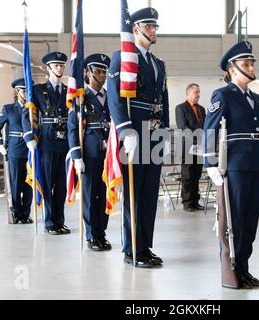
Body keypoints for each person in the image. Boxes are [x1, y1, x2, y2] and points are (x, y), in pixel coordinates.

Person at [107, 7, 169, 267]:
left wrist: (164, 130)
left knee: (149, 193)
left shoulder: (158, 64)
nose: (154, 31)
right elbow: (114, 97)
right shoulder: (123, 57)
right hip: (134, 132)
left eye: (155, 26)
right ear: (135, 29)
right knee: (134, 193)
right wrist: (125, 129)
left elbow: (163, 100)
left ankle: (145, 246)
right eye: (149, 26)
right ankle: (131, 249)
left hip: (153, 135)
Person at [203, 41, 259, 289]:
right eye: (245, 64)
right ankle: (231, 271)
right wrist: (210, 163)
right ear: (232, 69)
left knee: (250, 220)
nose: (251, 67)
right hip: (236, 164)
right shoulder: (223, 95)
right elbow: (210, 128)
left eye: (251, 63)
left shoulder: (258, 99)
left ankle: (243, 268)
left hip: (257, 163)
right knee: (234, 220)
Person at [67, 53, 112, 251]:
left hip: (107, 156)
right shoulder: (80, 98)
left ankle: (101, 232)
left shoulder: (110, 98)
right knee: (89, 195)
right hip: (89, 154)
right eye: (98, 71)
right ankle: (91, 234)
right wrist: (77, 156)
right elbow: (72, 128)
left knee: (104, 195)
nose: (101, 75)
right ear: (88, 73)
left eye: (104, 71)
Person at [23, 52, 70, 235]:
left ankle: (60, 220)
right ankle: (50, 221)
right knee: (49, 182)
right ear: (48, 68)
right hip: (47, 142)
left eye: (61, 65)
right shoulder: (38, 90)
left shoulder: (69, 90)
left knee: (62, 185)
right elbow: (27, 115)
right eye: (56, 65)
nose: (59, 68)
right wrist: (29, 138)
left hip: (65, 142)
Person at [0, 78, 33, 224]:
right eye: (24, 90)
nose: (27, 93)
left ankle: (26, 214)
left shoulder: (33, 108)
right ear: (17, 92)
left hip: (30, 150)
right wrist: (0, 145)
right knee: (15, 184)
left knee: (29, 184)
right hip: (15, 150)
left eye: (28, 90)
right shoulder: (8, 109)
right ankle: (16, 213)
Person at [175, 83, 206, 212]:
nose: (198, 95)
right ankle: (187, 203)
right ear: (188, 93)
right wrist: (195, 141)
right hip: (188, 145)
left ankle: (195, 201)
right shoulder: (181, 108)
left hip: (200, 146)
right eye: (195, 92)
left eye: (199, 92)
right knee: (188, 174)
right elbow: (183, 127)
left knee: (197, 174)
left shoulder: (202, 109)